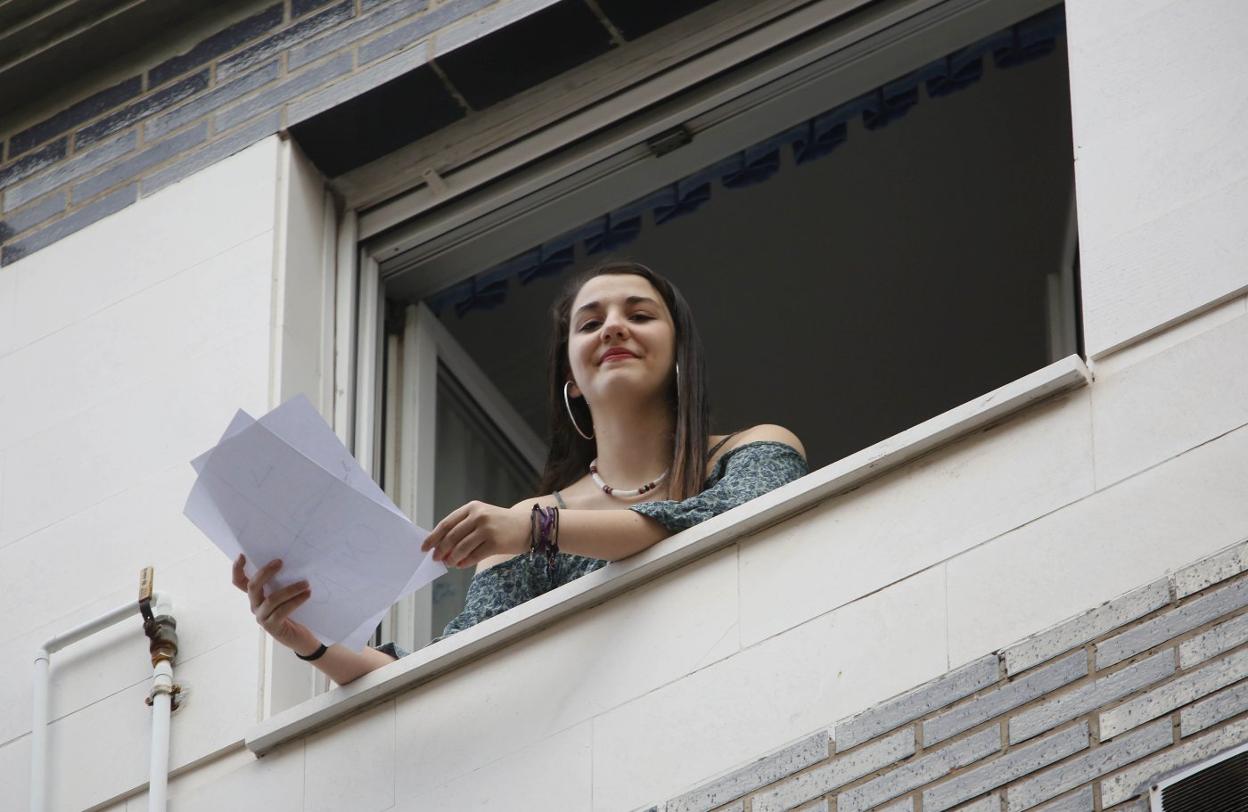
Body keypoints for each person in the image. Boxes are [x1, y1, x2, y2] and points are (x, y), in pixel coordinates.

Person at [231, 260, 809, 685]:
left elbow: (721, 521)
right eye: (590, 324)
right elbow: (448, 666)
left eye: (639, 315)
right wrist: (309, 640)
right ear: (573, 379)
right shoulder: (521, 532)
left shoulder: (753, 449)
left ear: (680, 354)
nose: (612, 327)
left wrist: (540, 526)